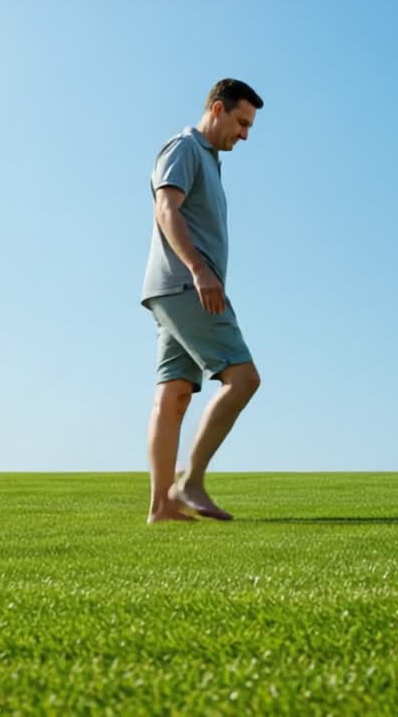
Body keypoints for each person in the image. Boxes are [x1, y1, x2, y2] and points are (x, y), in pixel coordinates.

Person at [140, 79, 264, 524]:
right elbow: (166, 209)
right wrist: (199, 269)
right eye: (241, 122)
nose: (245, 134)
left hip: (169, 289)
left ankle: (162, 506)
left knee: (173, 395)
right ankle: (189, 481)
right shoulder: (185, 148)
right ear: (217, 108)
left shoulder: (209, 161)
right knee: (244, 378)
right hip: (186, 286)